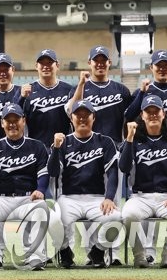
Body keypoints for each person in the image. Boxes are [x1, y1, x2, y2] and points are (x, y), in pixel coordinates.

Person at [119, 95, 167, 268]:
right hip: (140, 197)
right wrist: (129, 138)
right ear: (142, 116)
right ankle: (140, 255)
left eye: (156, 111)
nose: (152, 115)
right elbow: (123, 167)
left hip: (166, 198)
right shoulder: (134, 140)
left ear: (163, 114)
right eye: (148, 112)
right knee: (128, 214)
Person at [0, 103, 53, 271]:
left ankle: (34, 256)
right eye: (8, 120)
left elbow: (43, 173)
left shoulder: (37, 146)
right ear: (2, 123)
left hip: (28, 197)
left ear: (24, 121)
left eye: (16, 120)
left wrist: (40, 190)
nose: (12, 124)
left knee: (40, 207)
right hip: (3, 198)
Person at [50, 99, 121, 269]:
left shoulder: (104, 141)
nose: (82, 119)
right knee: (54, 219)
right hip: (69, 198)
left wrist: (109, 198)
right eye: (78, 115)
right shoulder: (64, 142)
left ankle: (98, 251)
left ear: (93, 118)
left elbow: (112, 173)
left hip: (96, 198)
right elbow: (53, 172)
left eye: (86, 115)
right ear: (71, 119)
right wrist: (56, 149)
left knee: (117, 218)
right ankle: (65, 251)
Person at [79, 46, 132, 146]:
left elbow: (130, 118)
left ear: (109, 62)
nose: (100, 64)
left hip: (115, 145)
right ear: (89, 63)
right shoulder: (80, 89)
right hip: (87, 147)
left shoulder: (122, 90)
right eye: (96, 61)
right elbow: (70, 113)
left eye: (103, 60)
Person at [24, 49, 75, 150]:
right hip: (37, 149)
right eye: (42, 63)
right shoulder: (28, 91)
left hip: (64, 147)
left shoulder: (68, 90)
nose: (45, 66)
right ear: (36, 66)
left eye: (50, 62)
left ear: (57, 66)